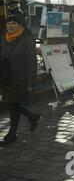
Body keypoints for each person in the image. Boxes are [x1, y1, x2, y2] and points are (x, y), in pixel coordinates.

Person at [0, 15, 40, 146]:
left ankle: (12, 134)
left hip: (19, 79)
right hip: (5, 78)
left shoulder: (27, 40)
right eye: (8, 23)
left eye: (13, 23)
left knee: (12, 104)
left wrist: (30, 84)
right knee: (11, 104)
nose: (10, 26)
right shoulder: (3, 38)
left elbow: (32, 63)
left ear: (20, 25)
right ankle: (32, 116)